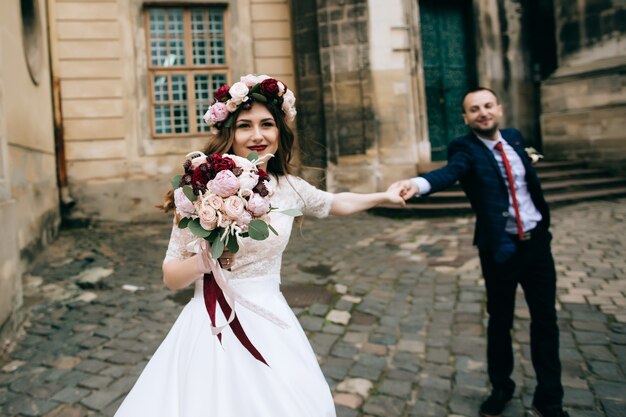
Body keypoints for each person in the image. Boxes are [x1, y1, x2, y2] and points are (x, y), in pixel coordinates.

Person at [114, 74, 405, 417]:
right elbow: (170, 276)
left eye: (267, 124)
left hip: (271, 319)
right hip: (212, 322)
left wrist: (384, 196)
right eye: (244, 126)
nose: (257, 135)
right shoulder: (202, 188)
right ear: (229, 134)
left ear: (280, 131)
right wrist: (206, 261)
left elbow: (335, 203)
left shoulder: (289, 186)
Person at [393, 88, 568, 417]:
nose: (483, 113)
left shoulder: (515, 139)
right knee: (500, 321)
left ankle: (550, 397)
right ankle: (501, 386)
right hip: (500, 249)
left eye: (488, 106)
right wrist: (417, 184)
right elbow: (449, 173)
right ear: (466, 118)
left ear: (499, 109)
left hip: (537, 245)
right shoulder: (466, 149)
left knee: (546, 321)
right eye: (474, 109)